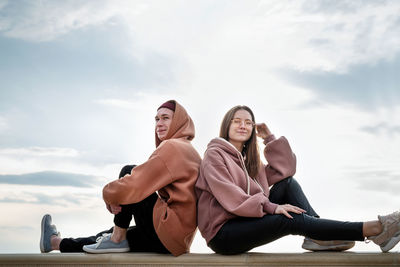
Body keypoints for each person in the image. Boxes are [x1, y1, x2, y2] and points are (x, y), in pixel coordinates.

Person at [195, 105, 400, 255]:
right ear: (226, 125)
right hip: (223, 233)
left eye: (248, 122)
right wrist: (272, 207)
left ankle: (317, 234)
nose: (243, 125)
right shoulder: (214, 155)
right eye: (237, 121)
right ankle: (377, 229)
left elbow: (286, 170)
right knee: (289, 218)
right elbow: (232, 199)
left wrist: (269, 139)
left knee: (288, 185)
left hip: (245, 220)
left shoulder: (250, 163)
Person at [40, 100, 202, 256]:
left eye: (165, 118)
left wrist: (109, 195)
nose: (159, 123)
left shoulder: (173, 146)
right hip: (175, 241)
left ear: (179, 121)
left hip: (168, 229)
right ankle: (55, 242)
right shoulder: (189, 150)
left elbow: (137, 184)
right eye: (157, 119)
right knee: (107, 238)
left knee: (128, 172)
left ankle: (117, 238)